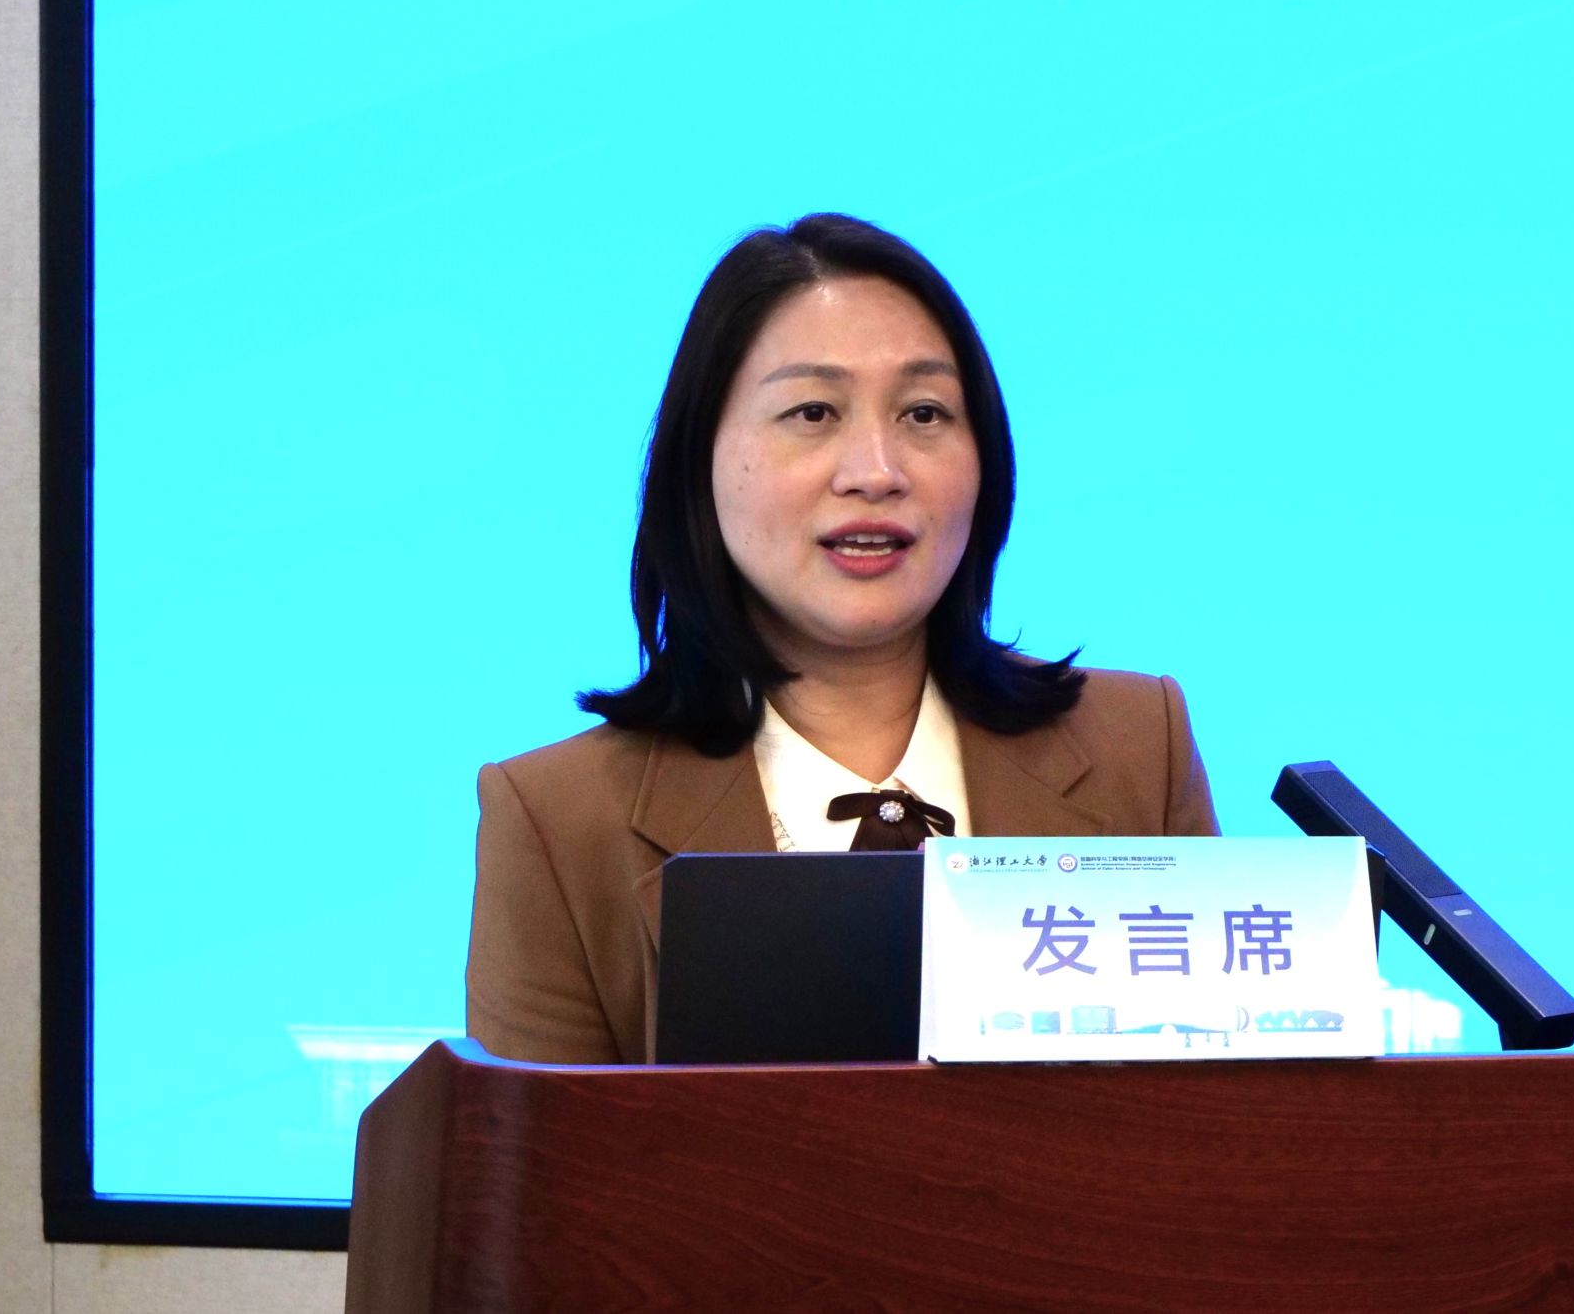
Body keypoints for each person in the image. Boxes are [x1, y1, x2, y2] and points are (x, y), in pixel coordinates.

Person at [465, 214, 1219, 1065]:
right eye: (813, 411)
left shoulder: (1137, 751)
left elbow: (1226, 1126)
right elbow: (529, 1151)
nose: (876, 471)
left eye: (924, 413)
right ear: (700, 458)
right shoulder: (561, 822)